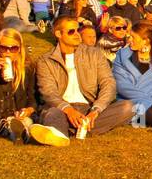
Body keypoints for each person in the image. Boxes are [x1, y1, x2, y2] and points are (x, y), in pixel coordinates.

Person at [30, 15, 135, 146]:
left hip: (89, 108)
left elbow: (108, 83)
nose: (76, 35)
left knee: (128, 107)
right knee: (52, 113)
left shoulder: (94, 54)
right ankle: (61, 131)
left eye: (77, 30)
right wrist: (69, 110)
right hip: (62, 109)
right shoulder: (46, 61)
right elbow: (49, 92)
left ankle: (67, 130)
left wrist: (96, 110)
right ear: (58, 34)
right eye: (71, 31)